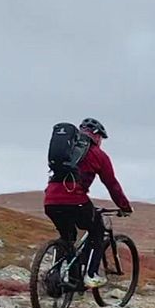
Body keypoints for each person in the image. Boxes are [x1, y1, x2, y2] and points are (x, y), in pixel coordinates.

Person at [43, 117, 133, 289]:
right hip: (75, 199)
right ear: (97, 137)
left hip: (50, 200)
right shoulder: (98, 155)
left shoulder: (66, 151)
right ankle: (91, 275)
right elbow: (111, 184)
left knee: (67, 238)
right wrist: (124, 206)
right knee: (97, 230)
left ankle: (64, 278)